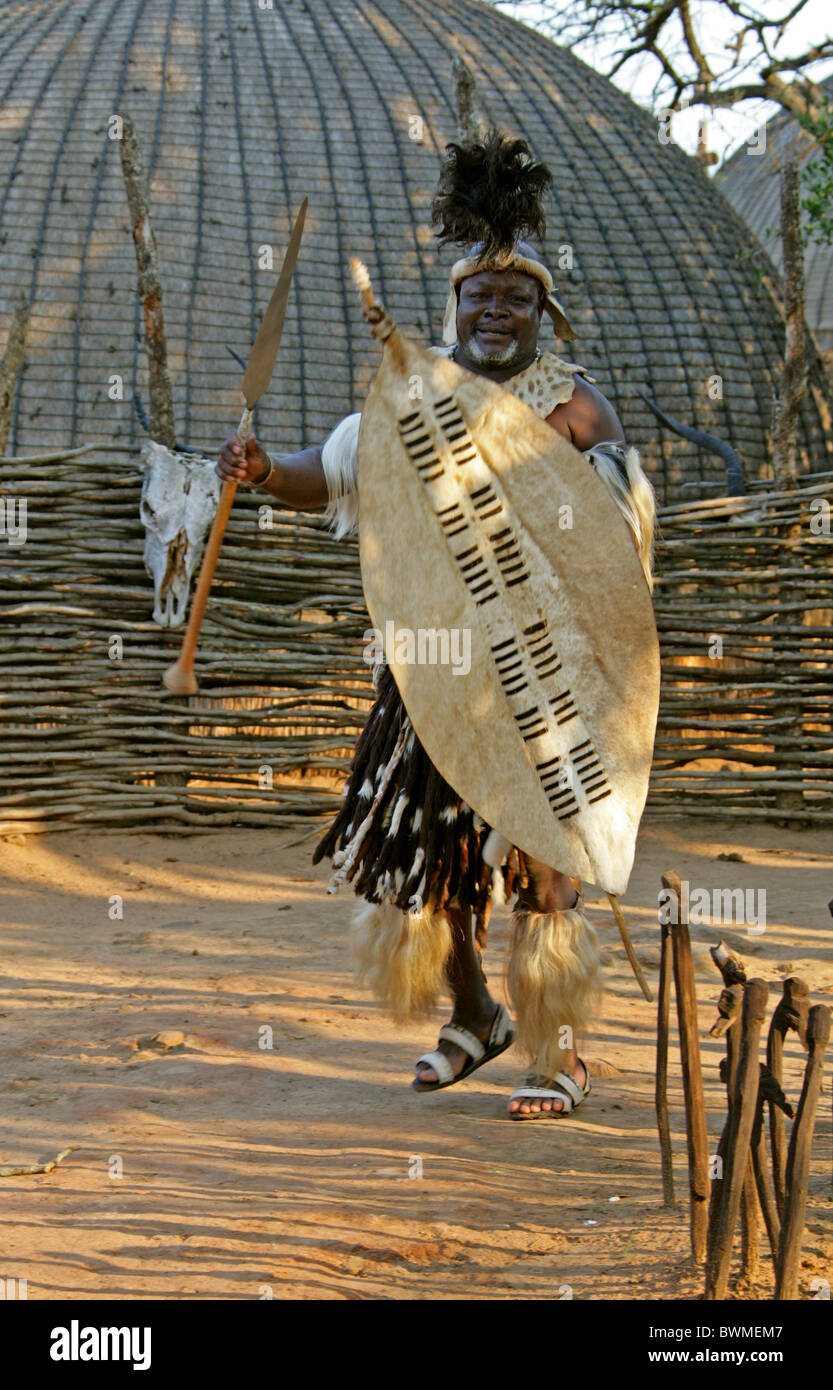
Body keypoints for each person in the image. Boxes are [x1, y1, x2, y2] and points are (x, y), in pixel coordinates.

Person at [217, 132, 656, 1118]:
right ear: (453, 306)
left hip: (544, 670)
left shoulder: (575, 410)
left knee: (545, 866)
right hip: (433, 671)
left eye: (515, 299)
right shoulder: (405, 396)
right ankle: (473, 1016)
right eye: (478, 297)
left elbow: (616, 551)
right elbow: (324, 474)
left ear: (540, 312)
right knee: (430, 859)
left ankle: (559, 1054)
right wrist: (257, 473)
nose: (494, 311)